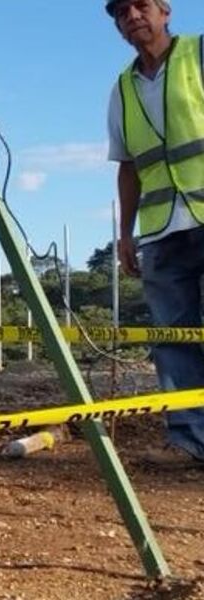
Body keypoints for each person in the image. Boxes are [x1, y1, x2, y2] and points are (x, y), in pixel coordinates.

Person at [106, 0, 204, 464]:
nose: (132, 16)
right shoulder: (122, 89)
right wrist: (125, 234)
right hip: (162, 229)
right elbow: (128, 167)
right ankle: (189, 441)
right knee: (174, 336)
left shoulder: (199, 56)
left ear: (165, 12)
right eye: (121, 12)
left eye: (141, 6)